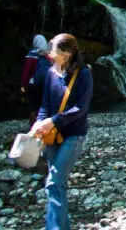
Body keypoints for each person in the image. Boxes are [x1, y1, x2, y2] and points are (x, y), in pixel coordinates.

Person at [31, 34, 93, 230]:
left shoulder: (84, 74)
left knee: (53, 183)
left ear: (67, 53)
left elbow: (80, 108)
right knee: (58, 185)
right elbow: (46, 104)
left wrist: (54, 121)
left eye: (54, 50)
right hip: (52, 135)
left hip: (74, 135)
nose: (49, 53)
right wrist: (40, 122)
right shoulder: (51, 73)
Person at [22, 35, 52, 125]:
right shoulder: (49, 55)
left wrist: (23, 84)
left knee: (33, 106)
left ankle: (33, 127)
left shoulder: (31, 54)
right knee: (45, 105)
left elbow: (26, 71)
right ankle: (44, 127)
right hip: (46, 83)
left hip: (33, 83)